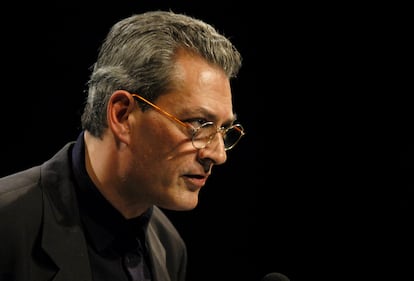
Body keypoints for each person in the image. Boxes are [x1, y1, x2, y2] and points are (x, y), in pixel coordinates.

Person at [0, 10, 245, 281]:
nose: (218, 154)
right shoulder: (6, 225)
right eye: (200, 123)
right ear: (122, 115)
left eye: (223, 130)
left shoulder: (170, 248)